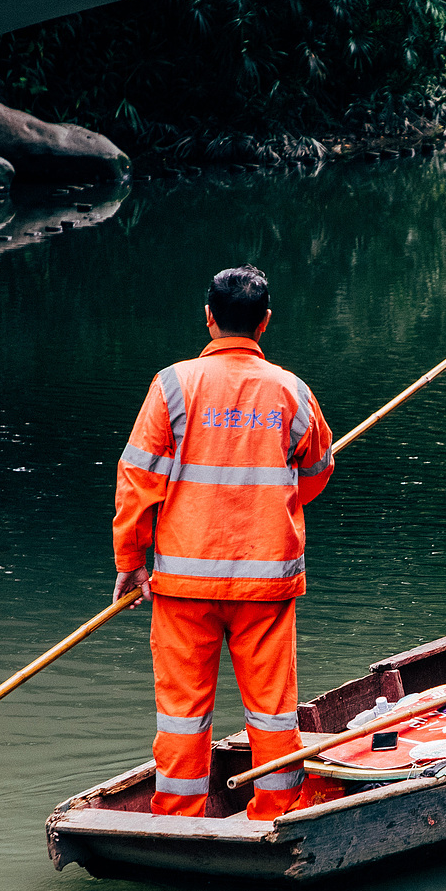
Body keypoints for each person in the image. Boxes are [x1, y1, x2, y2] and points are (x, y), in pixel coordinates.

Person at [112, 264, 333, 820]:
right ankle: (277, 814)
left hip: (183, 584)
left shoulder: (172, 385)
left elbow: (137, 479)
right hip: (265, 582)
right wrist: (273, 496)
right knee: (272, 712)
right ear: (265, 322)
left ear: (209, 318)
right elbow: (315, 474)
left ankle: (176, 821)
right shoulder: (292, 392)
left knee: (182, 713)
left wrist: (131, 561)